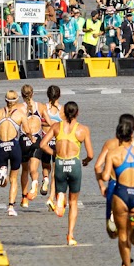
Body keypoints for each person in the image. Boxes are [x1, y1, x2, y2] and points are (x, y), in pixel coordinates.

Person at [100, 113, 134, 266]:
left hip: (120, 194)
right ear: (132, 133)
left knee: (122, 235)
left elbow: (105, 176)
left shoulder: (113, 153)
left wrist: (108, 176)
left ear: (118, 134)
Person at [41, 100, 94, 245]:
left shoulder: (56, 127)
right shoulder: (82, 130)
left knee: (61, 186)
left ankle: (60, 196)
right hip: (74, 164)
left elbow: (42, 144)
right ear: (77, 113)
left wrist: (55, 153)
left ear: (63, 113)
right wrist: (85, 161)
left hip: (60, 164)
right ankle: (70, 235)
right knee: (74, 202)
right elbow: (90, 154)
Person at [0, 89, 27, 217]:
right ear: (16, 101)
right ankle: (11, 207)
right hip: (14, 146)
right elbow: (28, 130)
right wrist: (31, 137)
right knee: (14, 179)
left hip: (2, 146)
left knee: (3, 183)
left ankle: (3, 173)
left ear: (6, 100)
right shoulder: (20, 114)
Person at [19, 85, 44, 208]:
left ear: (22, 95)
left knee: (24, 170)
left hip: (23, 140)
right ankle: (34, 183)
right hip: (36, 140)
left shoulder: (19, 108)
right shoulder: (40, 106)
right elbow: (50, 123)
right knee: (34, 169)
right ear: (33, 94)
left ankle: (24, 199)